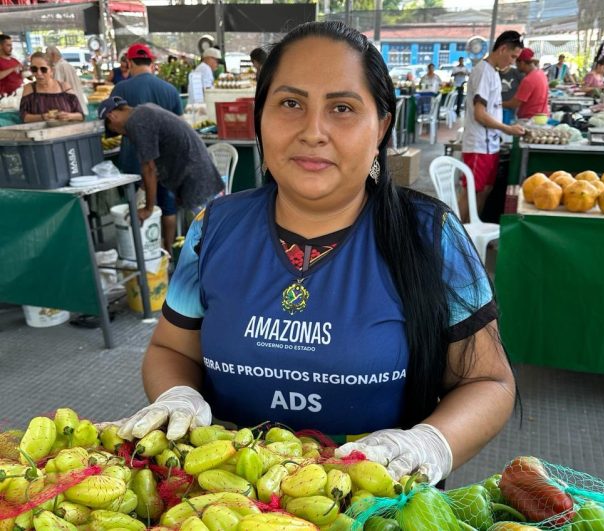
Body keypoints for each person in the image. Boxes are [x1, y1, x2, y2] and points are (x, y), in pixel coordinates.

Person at [102, 21, 517, 487]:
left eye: (342, 107)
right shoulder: (213, 229)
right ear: (260, 117)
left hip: (374, 509)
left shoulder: (432, 236)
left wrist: (429, 443)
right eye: (290, 103)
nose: (313, 131)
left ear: (380, 125)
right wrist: (177, 396)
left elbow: (488, 382)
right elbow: (169, 349)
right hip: (230, 505)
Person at [99, 97, 224, 224]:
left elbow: (149, 168)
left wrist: (148, 209)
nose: (124, 134)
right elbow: (159, 158)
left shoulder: (136, 123)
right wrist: (143, 190)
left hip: (195, 179)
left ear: (112, 116)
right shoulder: (145, 110)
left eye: (116, 130)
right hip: (199, 172)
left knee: (214, 229)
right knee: (214, 224)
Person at [111, 43, 184, 252]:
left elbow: (114, 122)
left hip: (133, 157)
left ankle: (140, 252)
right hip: (165, 158)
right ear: (151, 63)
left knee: (135, 207)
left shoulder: (121, 89)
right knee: (168, 206)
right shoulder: (169, 90)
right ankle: (167, 252)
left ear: (131, 63)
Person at [460, 30, 526, 223]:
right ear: (503, 48)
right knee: (470, 193)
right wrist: (507, 129)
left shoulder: (493, 73)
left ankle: (471, 232)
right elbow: (480, 114)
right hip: (479, 145)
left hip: (490, 145)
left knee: (484, 191)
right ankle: (452, 239)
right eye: (513, 56)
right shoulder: (482, 72)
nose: (513, 62)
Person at [19, 52, 84, 123]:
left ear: (52, 70)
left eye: (43, 69)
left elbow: (80, 115)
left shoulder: (65, 87)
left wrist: (69, 116)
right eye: (34, 69)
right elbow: (24, 117)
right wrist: (42, 117)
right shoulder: (29, 89)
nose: (39, 73)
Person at [503, 48, 549, 120]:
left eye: (516, 64)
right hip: (542, 117)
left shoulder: (528, 80)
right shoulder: (541, 73)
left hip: (529, 119)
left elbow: (514, 104)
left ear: (522, 63)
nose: (516, 66)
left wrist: (497, 103)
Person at [45, 46, 88, 116]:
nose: (47, 60)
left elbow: (56, 88)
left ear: (53, 55)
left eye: (47, 56)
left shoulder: (59, 67)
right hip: (79, 106)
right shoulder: (68, 65)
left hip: (71, 109)